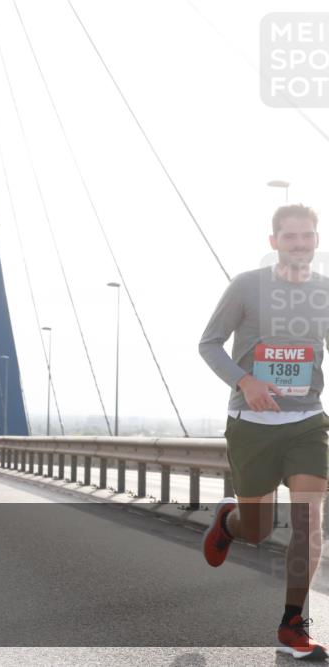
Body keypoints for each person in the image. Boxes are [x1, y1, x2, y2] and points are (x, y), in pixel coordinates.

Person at [198, 204, 329, 660]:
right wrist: (245, 379)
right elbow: (208, 343)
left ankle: (294, 625)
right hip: (252, 426)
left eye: (307, 236)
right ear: (274, 242)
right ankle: (230, 522)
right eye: (290, 237)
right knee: (257, 529)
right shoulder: (247, 286)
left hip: (308, 423)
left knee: (310, 524)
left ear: (316, 240)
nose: (299, 244)